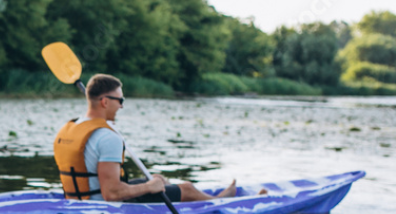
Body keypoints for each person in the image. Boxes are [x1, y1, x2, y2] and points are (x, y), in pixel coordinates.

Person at [54, 74, 263, 202]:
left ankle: (210, 198)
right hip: (104, 206)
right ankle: (219, 203)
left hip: (80, 200)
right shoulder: (107, 137)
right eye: (120, 100)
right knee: (186, 188)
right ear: (104, 102)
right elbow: (111, 194)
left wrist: (150, 182)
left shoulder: (69, 127)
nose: (122, 106)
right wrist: (148, 187)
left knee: (157, 180)